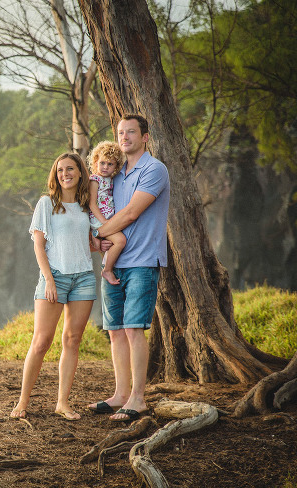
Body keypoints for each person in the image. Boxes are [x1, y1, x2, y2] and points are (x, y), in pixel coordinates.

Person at [87, 113, 170, 422]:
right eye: (121, 132)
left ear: (144, 136)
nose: (124, 137)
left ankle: (138, 398)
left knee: (134, 329)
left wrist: (97, 234)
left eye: (131, 132)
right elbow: (97, 207)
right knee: (115, 332)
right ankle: (121, 394)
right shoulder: (114, 173)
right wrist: (95, 240)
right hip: (115, 262)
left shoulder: (154, 169)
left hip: (142, 261)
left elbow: (133, 212)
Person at [10, 153, 98, 421]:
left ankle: (62, 403)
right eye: (60, 170)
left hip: (83, 277)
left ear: (80, 173)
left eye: (70, 169)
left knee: (72, 340)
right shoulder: (47, 204)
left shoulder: (86, 207)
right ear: (55, 175)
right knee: (41, 341)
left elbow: (96, 239)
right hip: (55, 277)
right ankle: (22, 402)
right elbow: (38, 245)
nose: (65, 174)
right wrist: (48, 279)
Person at [88, 141, 127, 286]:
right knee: (120, 241)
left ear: (116, 167)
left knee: (111, 244)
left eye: (110, 164)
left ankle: (109, 266)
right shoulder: (95, 180)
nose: (105, 167)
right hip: (100, 220)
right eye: (102, 163)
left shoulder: (111, 180)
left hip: (108, 219)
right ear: (96, 162)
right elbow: (92, 204)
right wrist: (104, 222)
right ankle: (107, 270)